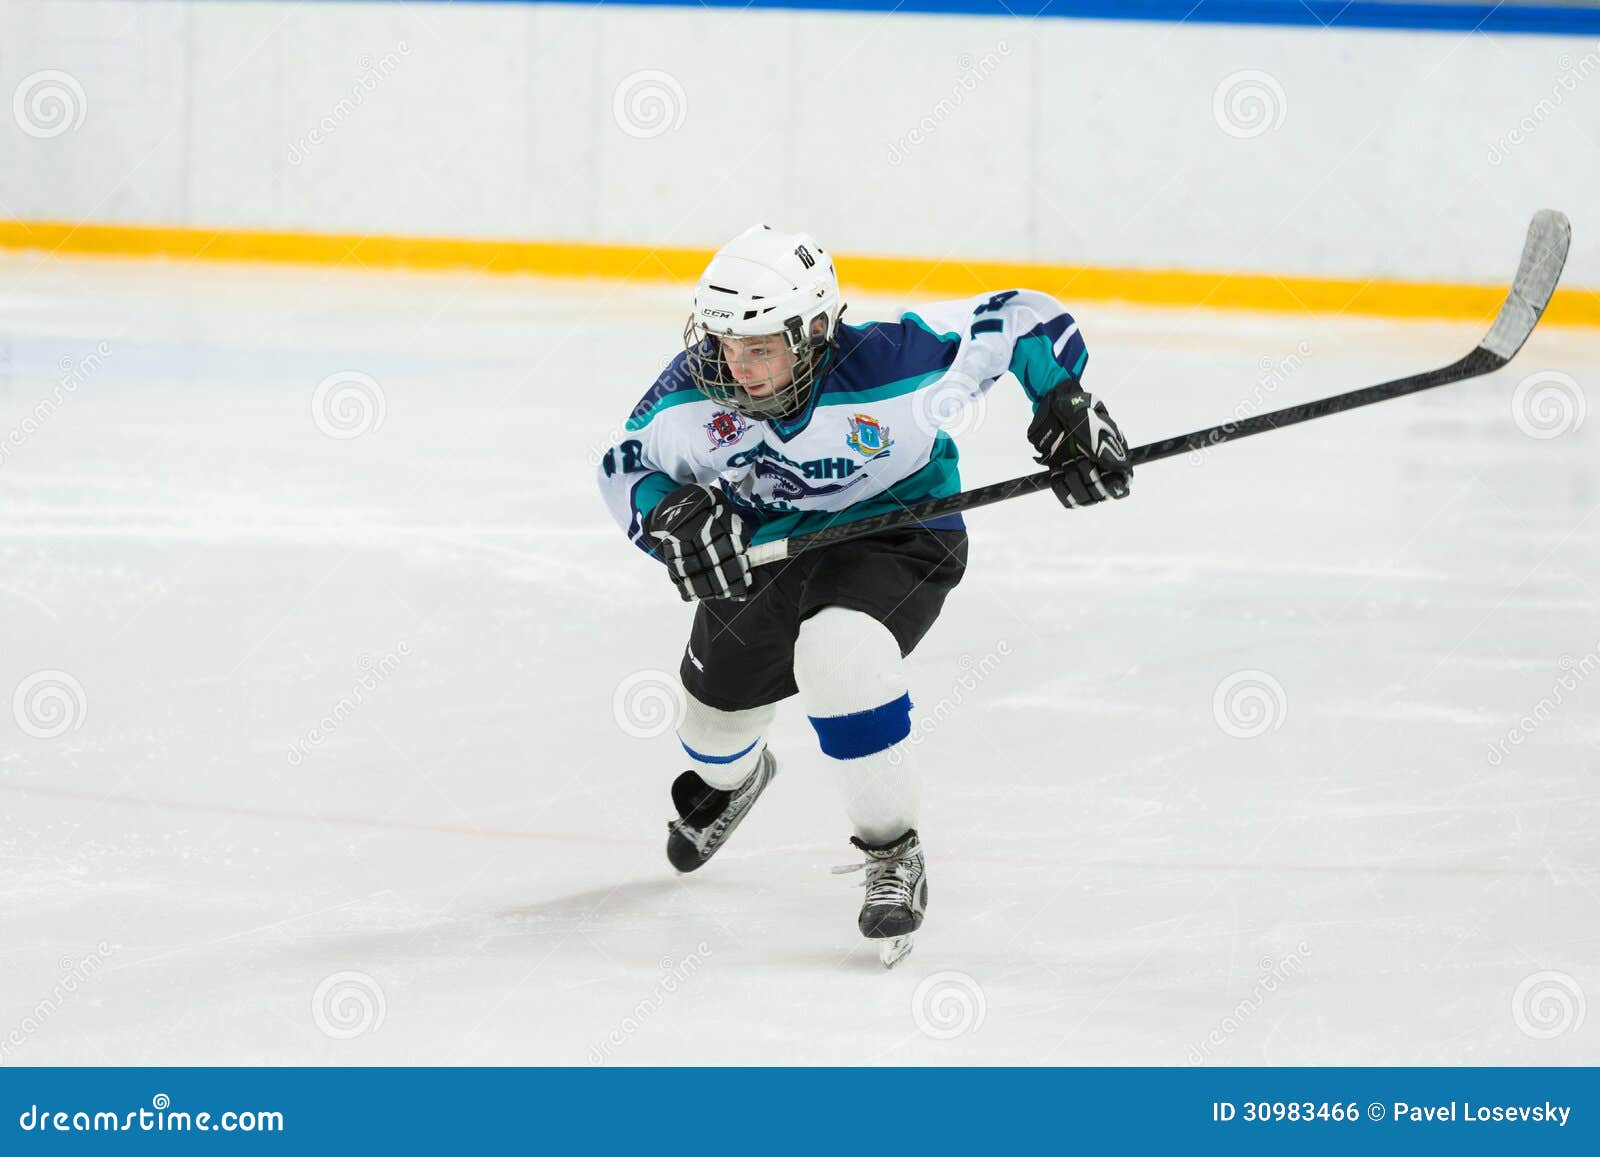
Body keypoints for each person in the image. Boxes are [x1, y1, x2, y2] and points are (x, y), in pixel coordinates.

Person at [596, 224, 1132, 964]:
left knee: (838, 653)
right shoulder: (692, 394)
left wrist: (1065, 401)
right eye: (725, 343)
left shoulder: (900, 362)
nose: (736, 367)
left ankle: (892, 853)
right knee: (711, 733)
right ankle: (737, 779)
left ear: (815, 330)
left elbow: (1020, 316)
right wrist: (668, 513)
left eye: (760, 346)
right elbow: (624, 463)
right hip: (769, 549)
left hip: (897, 532)